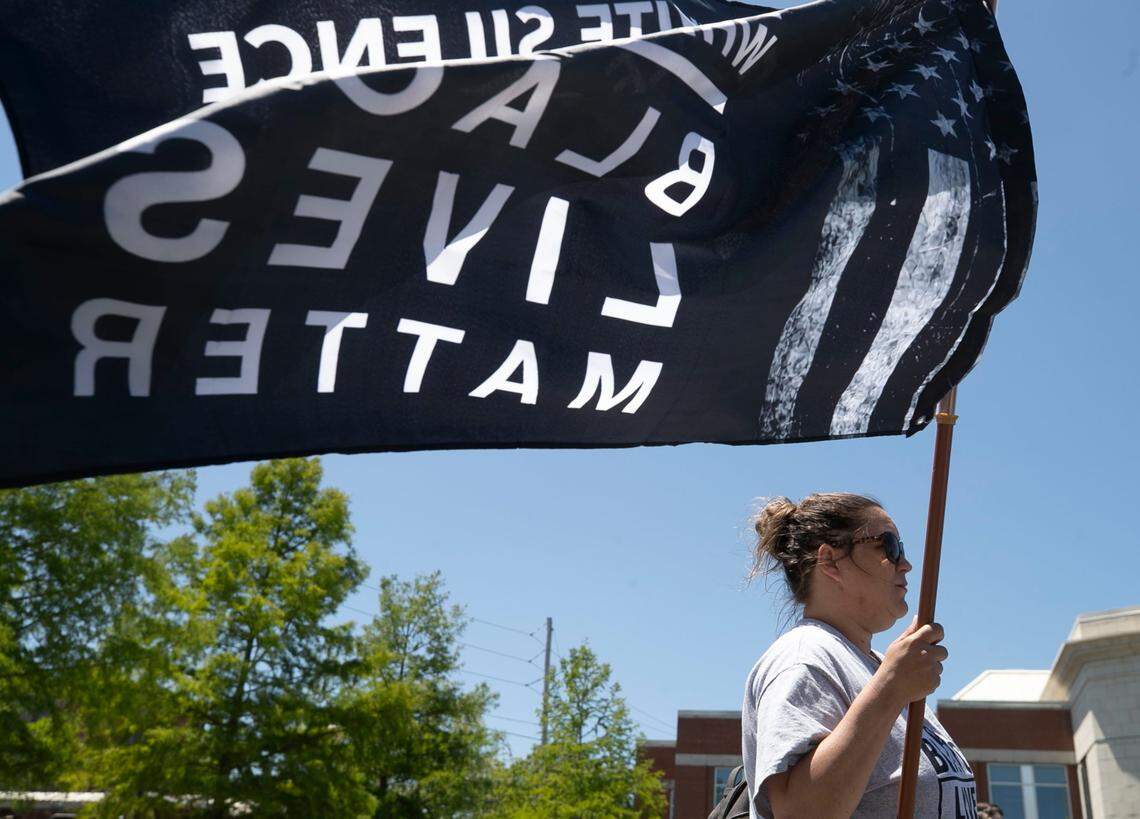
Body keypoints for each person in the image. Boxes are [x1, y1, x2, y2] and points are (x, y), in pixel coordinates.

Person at [741, 492, 976, 818]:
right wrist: (890, 688)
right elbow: (799, 813)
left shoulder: (876, 666)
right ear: (831, 562)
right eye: (890, 547)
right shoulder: (804, 659)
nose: (905, 564)